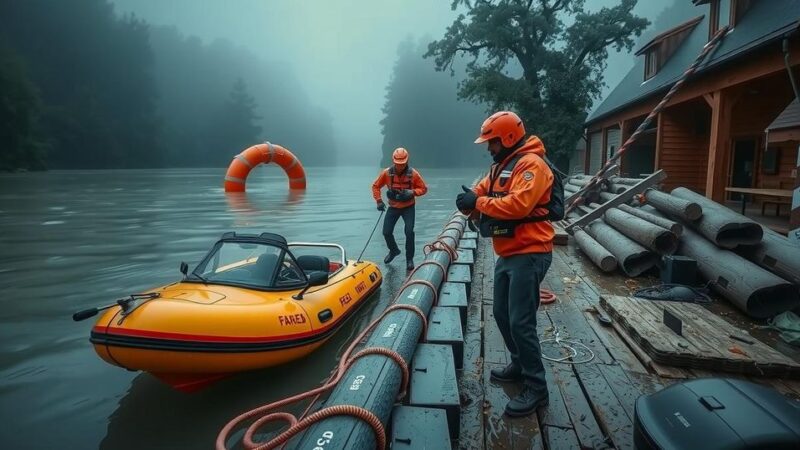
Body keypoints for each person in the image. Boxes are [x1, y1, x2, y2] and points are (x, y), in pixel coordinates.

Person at [456, 111, 556, 417]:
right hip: (510, 253)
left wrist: (479, 203)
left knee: (521, 322)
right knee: (501, 312)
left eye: (492, 142)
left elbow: (518, 205)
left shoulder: (531, 165)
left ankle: (537, 389)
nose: (489, 148)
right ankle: (519, 363)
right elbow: (484, 189)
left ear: (508, 138)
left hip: (531, 252)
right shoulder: (502, 164)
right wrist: (472, 199)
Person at [372, 147, 428, 271]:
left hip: (408, 207)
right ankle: (394, 250)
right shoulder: (386, 173)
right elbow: (376, 186)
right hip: (393, 206)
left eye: (402, 164)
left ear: (406, 161)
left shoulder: (414, 174)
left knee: (409, 232)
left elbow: (424, 189)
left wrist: (412, 192)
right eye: (397, 164)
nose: (400, 166)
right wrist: (379, 201)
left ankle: (409, 259)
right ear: (393, 161)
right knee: (386, 232)